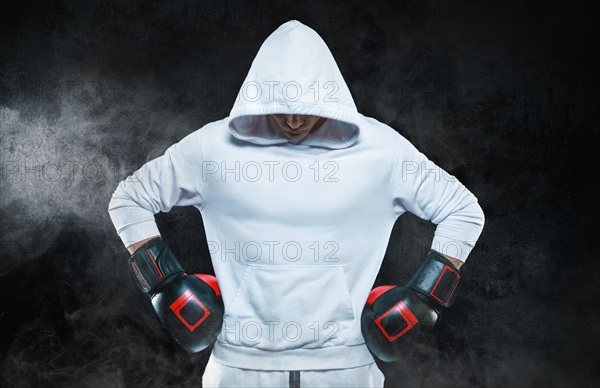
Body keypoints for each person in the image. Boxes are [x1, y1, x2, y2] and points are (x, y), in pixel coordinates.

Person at [108, 20, 484, 388]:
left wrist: (425, 297)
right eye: (280, 104)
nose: (292, 120)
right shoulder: (212, 148)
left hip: (344, 369)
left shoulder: (381, 151)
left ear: (329, 94)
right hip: (239, 367)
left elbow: (463, 211)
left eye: (305, 106)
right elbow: (130, 198)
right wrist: (165, 283)